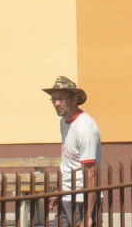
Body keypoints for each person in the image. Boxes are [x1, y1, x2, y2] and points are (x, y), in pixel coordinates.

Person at [43, 77, 101, 227]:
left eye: (61, 98)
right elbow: (68, 160)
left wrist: (88, 216)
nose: (56, 103)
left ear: (75, 99)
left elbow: (91, 173)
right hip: (66, 196)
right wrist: (59, 190)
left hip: (82, 201)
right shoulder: (64, 121)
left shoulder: (84, 128)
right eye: (53, 99)